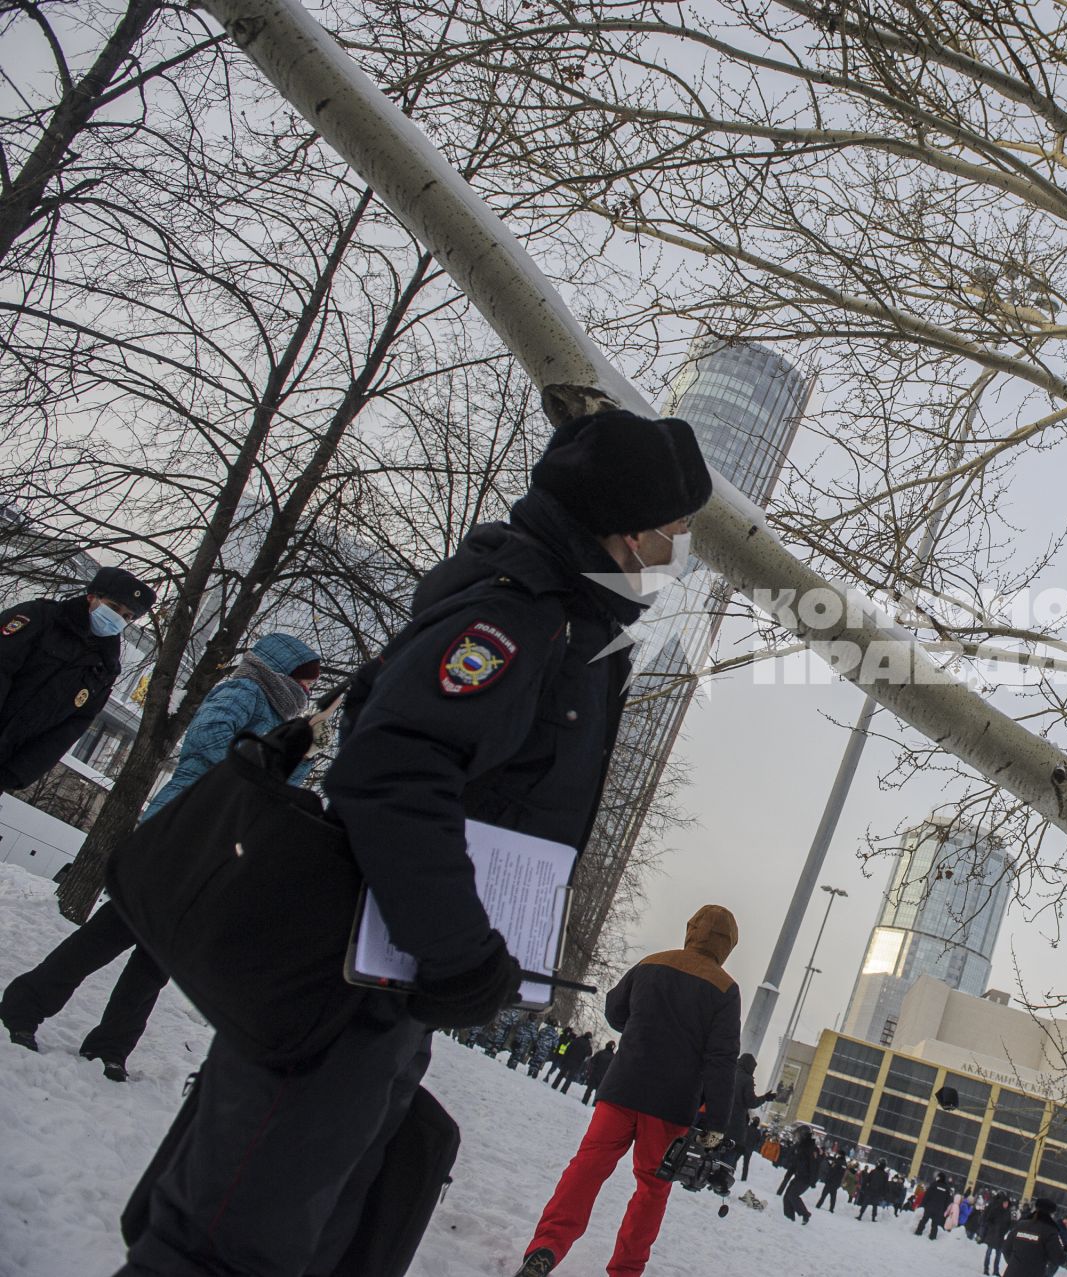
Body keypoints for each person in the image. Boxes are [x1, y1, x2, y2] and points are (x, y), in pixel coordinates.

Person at [116, 408, 713, 1277]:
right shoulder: (518, 618)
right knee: (224, 1248)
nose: (677, 549)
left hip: (387, 986)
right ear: (621, 529)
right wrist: (459, 948)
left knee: (299, 1237)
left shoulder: (563, 622)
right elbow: (390, 770)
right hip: (341, 985)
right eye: (672, 530)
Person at [2, 632, 320, 1079]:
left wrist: (300, 754)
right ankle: (25, 1004)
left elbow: (275, 787)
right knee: (115, 931)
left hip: (221, 838)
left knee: (160, 955)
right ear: (280, 671)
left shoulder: (277, 717)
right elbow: (209, 742)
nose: (308, 690)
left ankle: (112, 1046)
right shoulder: (242, 690)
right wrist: (271, 754)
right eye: (304, 680)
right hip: (182, 826)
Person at [516, 904, 742, 1277]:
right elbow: (721, 1059)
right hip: (671, 1106)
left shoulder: (652, 963)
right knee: (652, 1190)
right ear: (728, 945)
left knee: (587, 1167)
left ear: (691, 930)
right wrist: (716, 1121)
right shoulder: (724, 988)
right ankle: (625, 1271)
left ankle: (546, 1246)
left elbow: (614, 1011)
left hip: (622, 1088)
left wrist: (643, 1031)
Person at [0, 565, 154, 794]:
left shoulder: (105, 668)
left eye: (127, 616)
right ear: (92, 597)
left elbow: (71, 728)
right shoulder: (41, 617)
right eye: (113, 607)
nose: (118, 619)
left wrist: (15, 774)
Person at [722, 1053, 778, 1181]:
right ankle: (722, 1179)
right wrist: (765, 1097)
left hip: (721, 1118)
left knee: (718, 1149)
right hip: (735, 1124)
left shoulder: (730, 1072)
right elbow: (751, 1102)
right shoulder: (747, 1079)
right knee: (730, 1153)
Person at [1002, 1199, 1067, 1277]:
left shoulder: (1021, 1225)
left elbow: (1006, 1248)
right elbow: (1058, 1257)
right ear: (1051, 1215)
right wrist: (1066, 1256)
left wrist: (1015, 1264)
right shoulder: (1050, 1231)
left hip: (1012, 1273)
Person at [780, 1127, 819, 1224]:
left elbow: (814, 1165)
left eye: (798, 1135)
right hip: (798, 1176)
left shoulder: (811, 1148)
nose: (797, 1137)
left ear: (803, 1135)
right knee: (787, 1197)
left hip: (806, 1178)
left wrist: (813, 1181)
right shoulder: (799, 1146)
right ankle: (789, 1219)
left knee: (793, 1195)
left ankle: (805, 1214)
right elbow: (795, 1162)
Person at [978, 1192, 1013, 1274]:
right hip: (992, 1234)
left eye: (1007, 1203)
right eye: (1005, 1203)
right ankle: (986, 1269)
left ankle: (996, 1271)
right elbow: (988, 1219)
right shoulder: (996, 1210)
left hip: (1000, 1236)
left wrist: (1005, 1231)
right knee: (989, 1253)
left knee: (998, 1255)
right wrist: (992, 1227)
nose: (1006, 1205)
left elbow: (1009, 1224)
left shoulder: (1008, 1213)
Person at [916, 1172, 955, 1240]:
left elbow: (927, 1195)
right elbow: (948, 1200)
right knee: (935, 1224)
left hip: (930, 1207)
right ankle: (932, 1237)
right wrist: (943, 1209)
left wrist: (923, 1204)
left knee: (924, 1220)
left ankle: (918, 1232)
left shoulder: (934, 1184)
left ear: (939, 1178)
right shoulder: (947, 1188)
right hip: (939, 1210)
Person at [578, 1041, 615, 1107]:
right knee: (598, 1092)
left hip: (594, 1074)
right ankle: (594, 1105)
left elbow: (592, 1062)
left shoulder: (600, 1053)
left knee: (589, 1089)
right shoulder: (613, 1057)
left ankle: (584, 1101)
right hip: (604, 1078)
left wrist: (589, 1072)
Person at [815, 1142, 847, 1212]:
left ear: (840, 1155)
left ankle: (818, 1205)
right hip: (836, 1183)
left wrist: (827, 1179)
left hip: (830, 1181)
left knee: (824, 1195)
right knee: (833, 1196)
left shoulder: (837, 1161)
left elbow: (832, 1171)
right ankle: (831, 1209)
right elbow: (842, 1173)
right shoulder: (845, 1164)